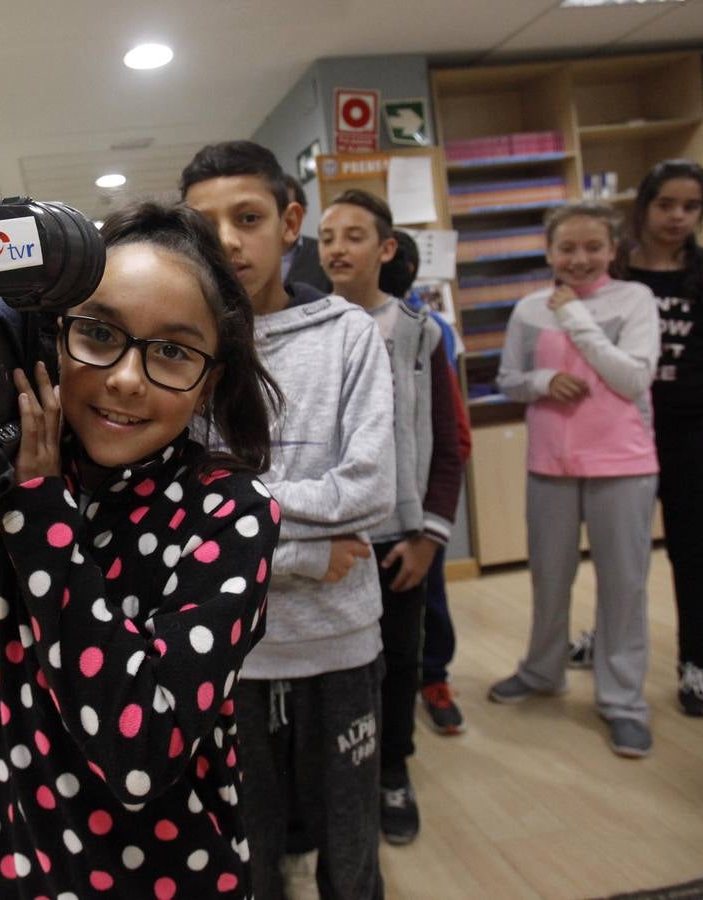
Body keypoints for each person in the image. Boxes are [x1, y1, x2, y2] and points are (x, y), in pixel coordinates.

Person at [0, 199, 283, 898]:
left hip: (153, 878)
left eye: (171, 350)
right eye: (100, 334)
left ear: (208, 383)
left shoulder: (228, 512)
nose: (128, 378)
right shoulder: (4, 478)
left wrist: (41, 514)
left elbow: (140, 750)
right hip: (3, 850)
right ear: (54, 341)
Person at [181, 141, 395, 899]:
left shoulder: (347, 335)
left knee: (349, 846)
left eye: (247, 217)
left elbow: (371, 492)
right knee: (244, 853)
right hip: (224, 649)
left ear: (289, 222)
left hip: (339, 645)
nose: (229, 241)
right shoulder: (180, 349)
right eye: (204, 225)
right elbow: (174, 524)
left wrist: (230, 516)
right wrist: (301, 553)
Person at [567, 160, 703, 717]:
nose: (676, 216)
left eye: (690, 207)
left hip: (698, 434)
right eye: (665, 204)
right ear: (643, 206)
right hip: (624, 431)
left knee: (695, 552)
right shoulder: (611, 275)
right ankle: (610, 639)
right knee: (621, 552)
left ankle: (696, 664)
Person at [489, 202, 661, 759]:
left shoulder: (635, 300)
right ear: (549, 252)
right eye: (567, 248)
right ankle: (542, 671)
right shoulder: (529, 309)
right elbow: (510, 379)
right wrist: (542, 380)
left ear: (613, 249)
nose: (580, 258)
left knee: (623, 586)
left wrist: (576, 318)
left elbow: (632, 376)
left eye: (593, 247)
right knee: (549, 577)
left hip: (624, 464)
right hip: (549, 466)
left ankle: (623, 702)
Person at [317, 191, 463, 846]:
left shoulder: (418, 334)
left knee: (399, 660)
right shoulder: (306, 327)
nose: (337, 249)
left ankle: (392, 770)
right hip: (328, 539)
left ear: (384, 249)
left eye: (353, 236)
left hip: (398, 541)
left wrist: (429, 535)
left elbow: (444, 441)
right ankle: (335, 774)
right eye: (326, 238)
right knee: (334, 670)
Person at [382, 229, 473, 738]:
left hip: (418, 497)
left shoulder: (430, 327)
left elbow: (449, 416)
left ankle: (434, 678)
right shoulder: (337, 321)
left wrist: (445, 474)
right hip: (372, 501)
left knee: (427, 589)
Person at [281, 173, 333, 294]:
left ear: (300, 214)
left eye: (286, 207)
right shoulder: (245, 257)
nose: (279, 215)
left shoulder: (324, 252)